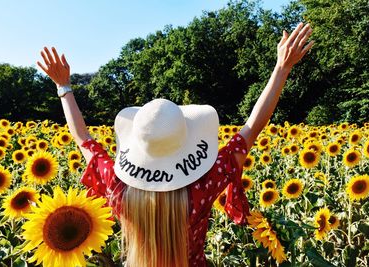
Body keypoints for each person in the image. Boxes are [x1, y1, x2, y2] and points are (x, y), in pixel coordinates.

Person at [37, 22, 313, 267]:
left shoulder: (118, 188)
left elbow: (84, 140)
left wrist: (64, 87)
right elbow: (251, 129)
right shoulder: (204, 183)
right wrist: (281, 68)